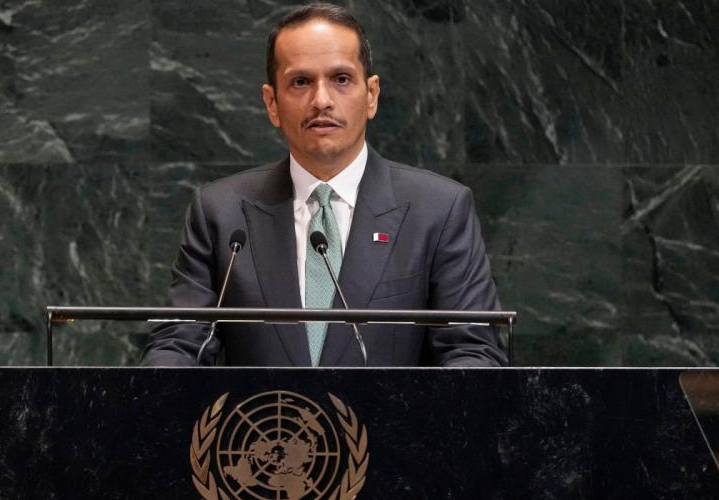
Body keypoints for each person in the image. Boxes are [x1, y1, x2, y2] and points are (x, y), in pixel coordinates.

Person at [141, 3, 507, 367]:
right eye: (300, 82)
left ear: (372, 95)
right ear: (272, 103)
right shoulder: (221, 214)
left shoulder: (439, 210)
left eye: (341, 79)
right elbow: (178, 345)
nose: (321, 100)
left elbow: (472, 353)